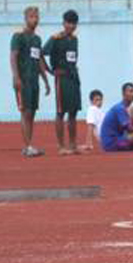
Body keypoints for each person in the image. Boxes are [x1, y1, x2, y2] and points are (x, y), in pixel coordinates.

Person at [10, 5, 51, 157]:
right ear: (26, 18)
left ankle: (29, 145)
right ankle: (26, 146)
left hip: (34, 80)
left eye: (36, 17)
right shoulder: (18, 36)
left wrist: (45, 80)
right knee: (25, 112)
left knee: (32, 112)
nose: (35, 20)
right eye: (32, 17)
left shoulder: (37, 39)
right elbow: (13, 56)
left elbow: (39, 59)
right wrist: (16, 77)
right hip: (23, 80)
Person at [46, 9, 82, 155]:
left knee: (73, 112)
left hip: (73, 77)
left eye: (74, 23)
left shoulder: (74, 39)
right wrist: (50, 71)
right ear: (63, 23)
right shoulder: (55, 39)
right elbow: (42, 54)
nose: (71, 26)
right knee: (61, 112)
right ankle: (61, 146)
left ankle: (73, 145)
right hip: (61, 79)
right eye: (68, 23)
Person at [100, 82, 133, 152]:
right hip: (112, 144)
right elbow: (128, 128)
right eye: (131, 91)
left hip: (117, 140)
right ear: (123, 94)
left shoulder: (127, 108)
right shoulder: (120, 108)